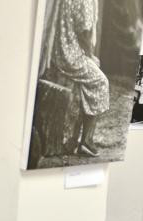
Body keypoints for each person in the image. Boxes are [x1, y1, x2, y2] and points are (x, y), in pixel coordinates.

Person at [50, 0, 109, 156]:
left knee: (90, 79)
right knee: (101, 82)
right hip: (71, 56)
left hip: (61, 51)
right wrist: (90, 56)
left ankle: (76, 139)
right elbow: (84, 33)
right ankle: (87, 141)